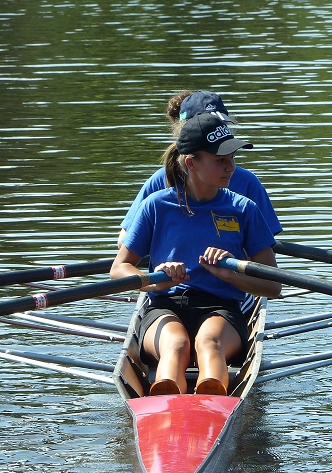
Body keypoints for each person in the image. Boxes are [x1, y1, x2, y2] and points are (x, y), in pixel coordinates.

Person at [110, 113, 282, 397]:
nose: (231, 167)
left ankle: (210, 402)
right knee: (175, 345)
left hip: (222, 308)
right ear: (191, 163)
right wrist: (154, 281)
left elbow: (272, 286)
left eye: (232, 158)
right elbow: (119, 269)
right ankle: (167, 406)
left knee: (209, 342)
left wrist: (231, 274)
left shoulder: (244, 209)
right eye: (220, 160)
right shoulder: (156, 205)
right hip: (163, 306)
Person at [118, 90, 282, 314]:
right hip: (169, 291)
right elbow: (125, 245)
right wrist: (164, 262)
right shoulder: (160, 186)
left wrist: (231, 266)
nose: (229, 167)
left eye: (219, 124)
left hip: (227, 291)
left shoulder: (246, 188)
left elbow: (266, 259)